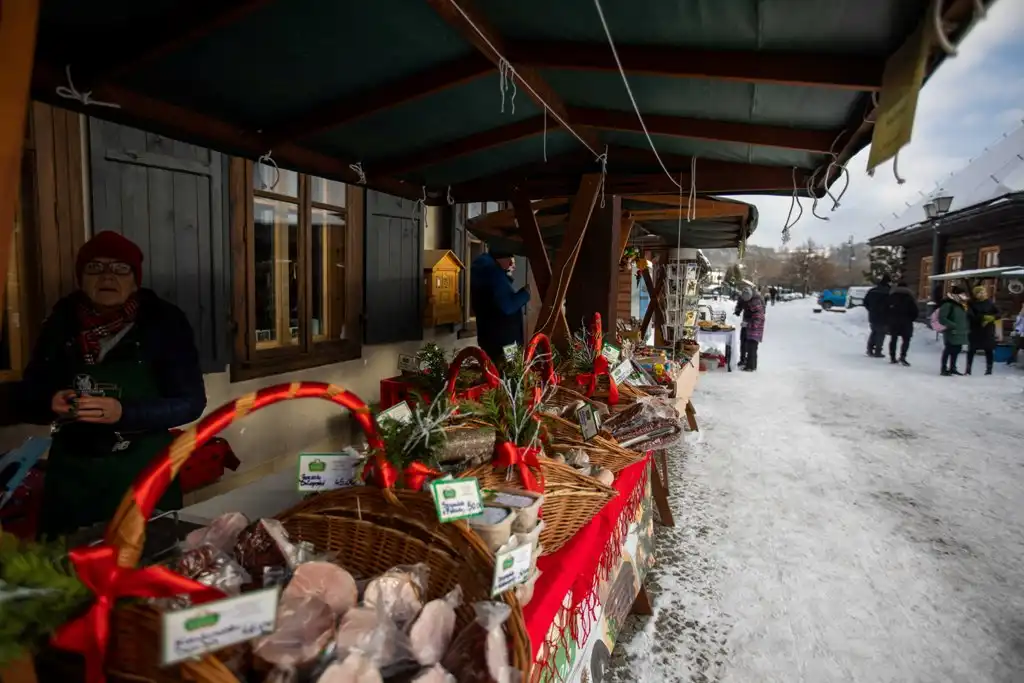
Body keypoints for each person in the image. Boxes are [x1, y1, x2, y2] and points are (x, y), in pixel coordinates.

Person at [17, 231, 207, 539]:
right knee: (67, 570)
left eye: (120, 268)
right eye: (95, 267)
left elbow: (190, 402)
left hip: (142, 471)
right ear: (81, 277)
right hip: (72, 475)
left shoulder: (164, 323)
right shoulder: (60, 322)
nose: (107, 276)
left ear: (135, 279)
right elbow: (28, 392)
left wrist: (124, 412)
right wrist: (48, 400)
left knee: (146, 563)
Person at [471, 248, 530, 363]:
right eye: (511, 261)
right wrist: (525, 294)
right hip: (505, 341)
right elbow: (507, 306)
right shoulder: (493, 274)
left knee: (495, 372)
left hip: (491, 337)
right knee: (511, 374)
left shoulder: (485, 272)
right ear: (501, 259)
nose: (513, 266)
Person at [966, 284, 998, 375]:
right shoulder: (971, 304)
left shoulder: (990, 303)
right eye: (979, 293)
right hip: (975, 330)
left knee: (989, 349)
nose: (982, 294)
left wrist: (992, 317)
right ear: (976, 294)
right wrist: (983, 317)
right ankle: (968, 369)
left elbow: (999, 313)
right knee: (971, 350)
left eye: (983, 292)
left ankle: (989, 369)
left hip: (988, 330)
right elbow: (970, 316)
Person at [937, 285, 970, 376]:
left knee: (957, 349)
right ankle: (944, 368)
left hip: (960, 331)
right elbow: (942, 318)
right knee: (949, 349)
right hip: (951, 331)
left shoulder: (961, 305)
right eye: (962, 294)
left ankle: (953, 367)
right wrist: (953, 325)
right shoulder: (948, 304)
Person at [885, 279, 918, 366]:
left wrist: (888, 318)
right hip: (906, 321)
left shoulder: (891, 296)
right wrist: (911, 319)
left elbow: (885, 309)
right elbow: (915, 311)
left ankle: (892, 357)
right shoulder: (910, 297)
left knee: (893, 339)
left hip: (893, 321)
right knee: (906, 339)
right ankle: (903, 357)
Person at [863, 275, 891, 357]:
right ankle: (878, 351)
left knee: (874, 332)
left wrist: (871, 309)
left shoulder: (872, 291)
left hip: (873, 315)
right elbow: (890, 304)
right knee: (881, 333)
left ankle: (869, 349)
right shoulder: (888, 292)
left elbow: (865, 302)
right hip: (884, 316)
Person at [739, 287, 765, 372]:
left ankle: (751, 367)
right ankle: (750, 365)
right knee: (750, 348)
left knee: (752, 349)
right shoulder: (752, 303)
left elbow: (758, 321)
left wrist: (747, 324)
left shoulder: (756, 305)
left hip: (755, 331)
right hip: (752, 330)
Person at [734, 295, 750, 368]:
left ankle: (747, 359)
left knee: (748, 341)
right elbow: (739, 305)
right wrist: (737, 310)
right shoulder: (742, 298)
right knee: (743, 340)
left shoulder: (755, 299)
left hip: (752, 322)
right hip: (745, 320)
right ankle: (743, 359)